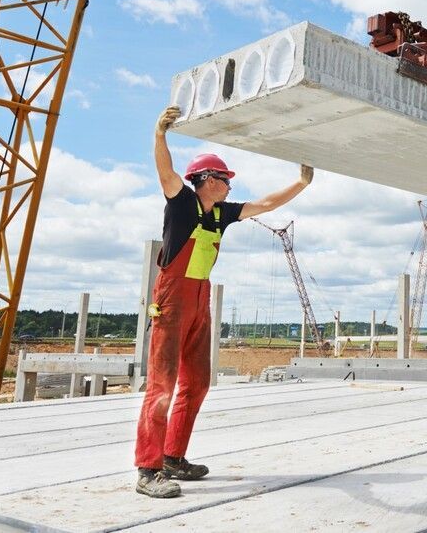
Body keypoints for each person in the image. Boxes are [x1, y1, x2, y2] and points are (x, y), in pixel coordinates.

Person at [135, 105, 314, 498]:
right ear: (207, 180)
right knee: (162, 385)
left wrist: (301, 183)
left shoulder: (222, 214)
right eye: (226, 180)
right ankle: (148, 470)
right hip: (170, 299)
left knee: (197, 382)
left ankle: (173, 458)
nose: (231, 187)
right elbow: (165, 172)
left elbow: (265, 205)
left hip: (200, 299)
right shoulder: (181, 201)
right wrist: (159, 134)